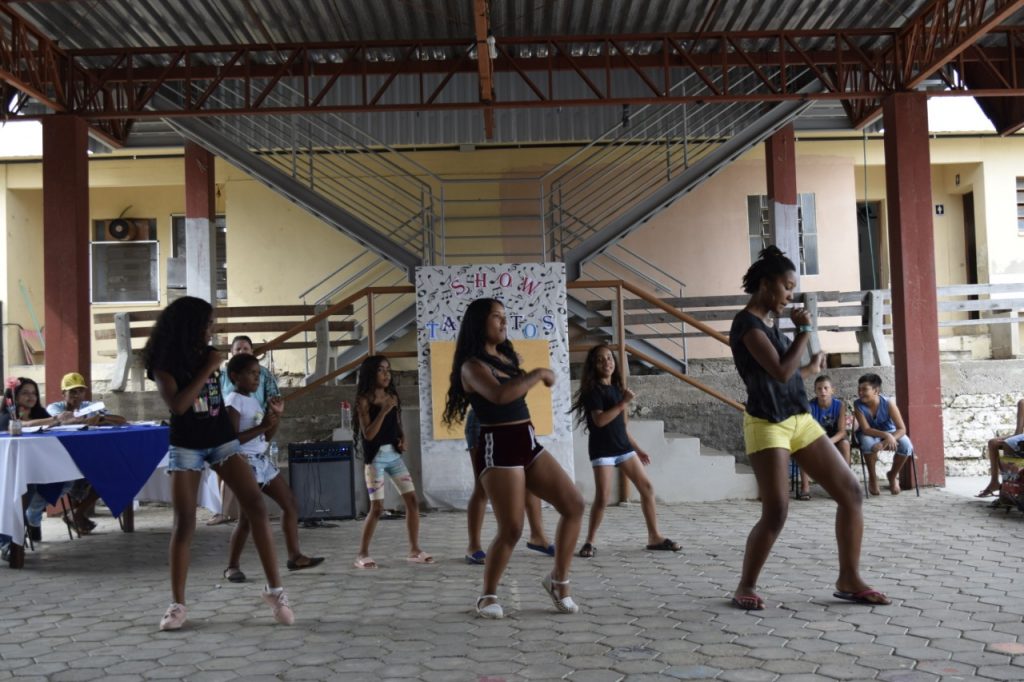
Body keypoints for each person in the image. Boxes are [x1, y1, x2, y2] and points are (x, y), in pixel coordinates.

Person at [729, 246, 888, 610]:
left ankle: (849, 577)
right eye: (786, 287)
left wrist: (810, 370)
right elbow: (780, 370)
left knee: (851, 492)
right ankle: (745, 585)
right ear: (766, 284)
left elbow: (786, 375)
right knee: (776, 511)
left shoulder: (769, 326)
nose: (790, 296)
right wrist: (804, 331)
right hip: (767, 424)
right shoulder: (746, 325)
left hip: (800, 419)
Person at [143, 295, 294, 630]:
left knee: (256, 506)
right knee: (185, 522)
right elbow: (179, 405)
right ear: (191, 325)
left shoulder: (206, 353)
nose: (213, 329)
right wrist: (208, 368)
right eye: (209, 324)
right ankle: (177, 605)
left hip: (221, 440)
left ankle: (275, 591)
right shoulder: (163, 363)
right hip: (187, 445)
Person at [443, 297, 584, 619]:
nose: (504, 322)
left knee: (574, 505)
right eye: (497, 317)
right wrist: (537, 373)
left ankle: (559, 581)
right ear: (479, 323)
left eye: (504, 316)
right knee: (512, 528)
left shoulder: (504, 357)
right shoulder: (471, 366)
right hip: (498, 446)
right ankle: (487, 595)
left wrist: (529, 374)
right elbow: (500, 395)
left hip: (527, 441)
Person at [221, 353, 324, 582]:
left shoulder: (252, 400)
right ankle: (232, 566)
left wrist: (275, 417)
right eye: (251, 373)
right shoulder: (233, 401)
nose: (256, 378)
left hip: (261, 460)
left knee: (290, 503)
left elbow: (266, 436)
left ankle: (295, 556)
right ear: (235, 376)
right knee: (247, 518)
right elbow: (232, 440)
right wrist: (263, 426)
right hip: (244, 463)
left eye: (258, 374)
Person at [571, 344, 680, 558]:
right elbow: (600, 421)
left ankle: (654, 537)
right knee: (603, 498)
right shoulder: (593, 391)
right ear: (593, 365)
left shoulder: (616, 389)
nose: (607, 362)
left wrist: (638, 449)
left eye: (609, 358)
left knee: (647, 488)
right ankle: (589, 542)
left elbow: (620, 426)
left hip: (623, 448)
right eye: (600, 359)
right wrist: (623, 403)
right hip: (603, 450)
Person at [352, 355, 432, 569]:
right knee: (377, 508)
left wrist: (402, 437)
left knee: (412, 501)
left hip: (394, 457)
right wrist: (384, 409)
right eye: (381, 370)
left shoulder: (392, 396)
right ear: (371, 373)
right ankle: (362, 554)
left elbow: (396, 422)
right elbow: (369, 434)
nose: (386, 374)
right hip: (375, 460)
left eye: (388, 369)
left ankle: (414, 549)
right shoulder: (364, 400)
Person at [464, 408, 556, 565]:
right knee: (481, 488)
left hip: (515, 421)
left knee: (529, 478)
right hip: (484, 421)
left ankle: (538, 536)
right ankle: (473, 546)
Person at [43, 372, 129, 535]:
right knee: (83, 474)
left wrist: (101, 419)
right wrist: (88, 421)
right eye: (72, 391)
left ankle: (77, 513)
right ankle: (77, 515)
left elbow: (121, 420)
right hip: (63, 457)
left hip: (90, 454)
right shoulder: (55, 408)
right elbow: (63, 421)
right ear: (63, 393)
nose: (77, 395)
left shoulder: (91, 406)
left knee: (112, 473)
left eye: (80, 391)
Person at [210, 335, 281, 526]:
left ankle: (235, 514)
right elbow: (216, 399)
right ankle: (223, 511)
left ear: (252, 351)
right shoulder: (223, 378)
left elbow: (273, 396)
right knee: (226, 472)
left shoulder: (263, 375)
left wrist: (269, 418)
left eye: (246, 349)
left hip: (255, 425)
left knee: (251, 513)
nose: (242, 351)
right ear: (231, 353)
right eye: (238, 349)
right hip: (235, 428)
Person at [1, 377, 59, 556]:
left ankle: (31, 516)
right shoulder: (6, 416)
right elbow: (18, 425)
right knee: (25, 487)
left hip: (33, 468)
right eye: (25, 393)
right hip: (6, 471)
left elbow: (55, 424)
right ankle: (7, 541)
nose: (31, 397)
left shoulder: (39, 413)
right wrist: (53, 420)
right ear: (13, 396)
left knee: (64, 479)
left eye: (34, 393)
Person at [853, 373, 914, 496]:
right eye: (859, 389)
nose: (860, 393)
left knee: (906, 445)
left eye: (864, 389)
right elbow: (866, 429)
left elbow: (902, 429)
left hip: (890, 432)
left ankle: (892, 475)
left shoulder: (888, 403)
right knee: (868, 443)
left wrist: (886, 440)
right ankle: (873, 477)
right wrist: (887, 436)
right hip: (869, 433)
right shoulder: (858, 404)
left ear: (876, 391)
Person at [798, 375, 852, 500]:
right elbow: (807, 430)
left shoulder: (839, 405)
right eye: (819, 389)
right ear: (815, 391)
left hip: (834, 438)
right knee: (801, 448)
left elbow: (842, 432)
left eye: (826, 388)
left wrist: (829, 442)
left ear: (832, 390)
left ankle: (845, 485)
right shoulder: (810, 406)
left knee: (845, 444)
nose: (823, 391)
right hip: (816, 438)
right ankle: (805, 487)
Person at [976, 398, 1024, 498]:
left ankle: (1009, 490)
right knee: (993, 443)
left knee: (1008, 444)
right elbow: (1018, 432)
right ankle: (994, 483)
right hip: (1021, 437)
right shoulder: (1022, 403)